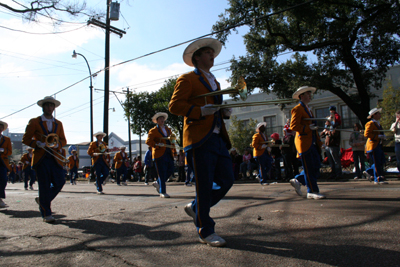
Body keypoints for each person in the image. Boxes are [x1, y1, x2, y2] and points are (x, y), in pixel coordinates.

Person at [169, 38, 234, 247]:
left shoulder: (216, 81)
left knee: (227, 179)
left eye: (212, 53)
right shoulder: (187, 78)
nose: (212, 56)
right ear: (197, 57)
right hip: (198, 139)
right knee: (204, 186)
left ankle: (197, 208)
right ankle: (205, 230)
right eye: (207, 53)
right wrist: (198, 111)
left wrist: (223, 112)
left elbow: (213, 108)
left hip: (217, 137)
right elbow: (175, 105)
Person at [22, 96, 67, 223]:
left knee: (60, 181)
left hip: (54, 157)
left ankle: (42, 200)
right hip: (41, 158)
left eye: (51, 106)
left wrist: (58, 144)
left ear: (54, 108)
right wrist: (37, 144)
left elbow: (63, 140)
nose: (49, 108)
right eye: (47, 105)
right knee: (44, 186)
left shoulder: (58, 123)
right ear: (43, 107)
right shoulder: (34, 121)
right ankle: (46, 214)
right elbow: (26, 139)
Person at [289, 86, 326, 199]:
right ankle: (312, 191)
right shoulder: (298, 108)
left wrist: (319, 141)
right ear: (301, 96)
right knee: (309, 167)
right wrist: (307, 128)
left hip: (311, 142)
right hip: (304, 143)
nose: (310, 95)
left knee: (316, 165)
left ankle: (298, 179)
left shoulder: (308, 109)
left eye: (310, 94)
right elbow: (293, 126)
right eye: (307, 94)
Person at [145, 112, 176, 198]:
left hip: (168, 152)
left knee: (171, 169)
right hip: (159, 154)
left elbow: (172, 141)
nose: (162, 120)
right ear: (157, 121)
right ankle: (163, 192)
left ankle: (158, 183)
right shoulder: (153, 130)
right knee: (162, 173)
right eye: (160, 119)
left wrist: (175, 152)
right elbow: (148, 141)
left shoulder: (168, 129)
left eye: (163, 119)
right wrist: (157, 144)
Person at [363, 108, 388, 184]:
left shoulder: (378, 123)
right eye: (378, 113)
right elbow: (366, 134)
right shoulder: (370, 123)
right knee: (377, 162)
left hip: (378, 145)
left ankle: (369, 171)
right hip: (373, 145)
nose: (380, 115)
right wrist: (378, 136)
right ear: (374, 115)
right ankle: (377, 178)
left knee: (380, 161)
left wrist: (383, 136)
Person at [0, 120, 12, 208]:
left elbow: (10, 152)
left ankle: (0, 197)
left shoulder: (7, 139)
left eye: (1, 127)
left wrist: (3, 150)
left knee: (3, 180)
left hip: (3, 161)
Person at [390, 110, 400, 177]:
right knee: (399, 159)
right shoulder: (394, 124)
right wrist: (396, 122)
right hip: (398, 142)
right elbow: (393, 130)